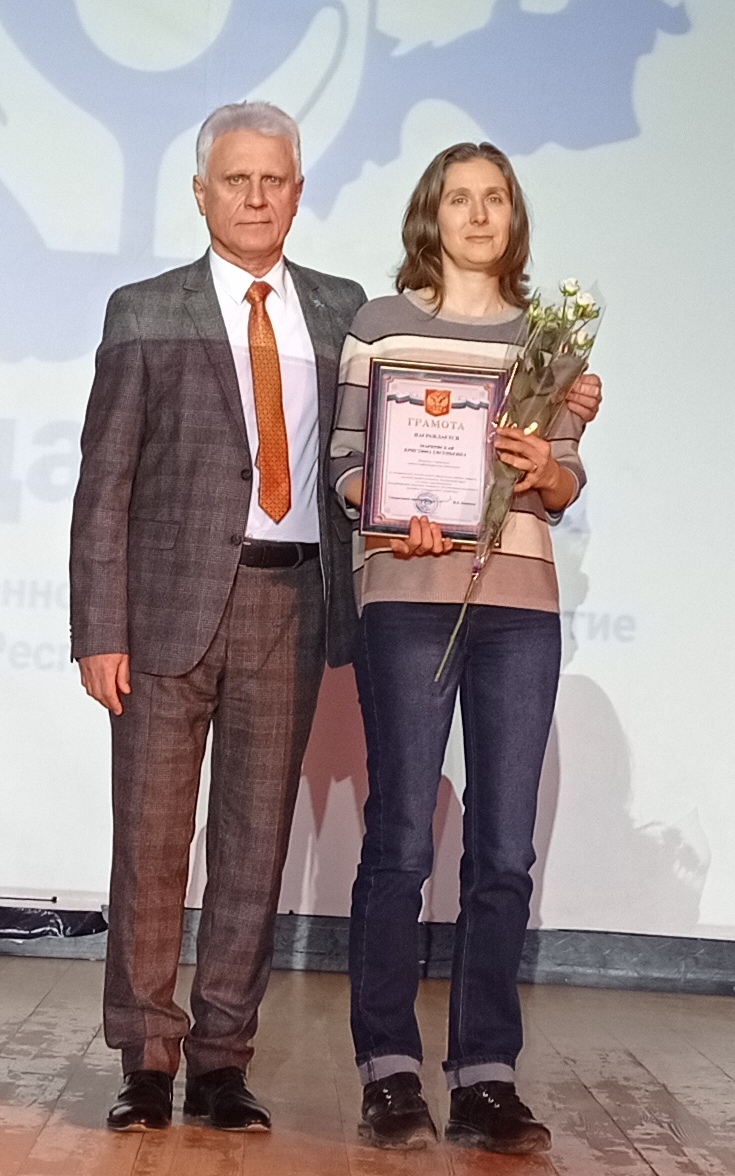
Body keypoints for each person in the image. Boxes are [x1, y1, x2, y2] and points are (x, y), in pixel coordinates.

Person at [69, 102, 365, 1132]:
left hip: (291, 601)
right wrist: (98, 628)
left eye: (273, 179)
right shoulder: (144, 309)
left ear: (298, 191)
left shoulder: (343, 311)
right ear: (200, 193)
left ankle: (223, 1063)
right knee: (150, 842)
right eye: (235, 180)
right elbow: (103, 484)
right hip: (161, 613)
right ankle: (147, 1061)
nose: (255, 196)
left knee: (253, 844)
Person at [331, 141, 602, 1154]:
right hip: (406, 595)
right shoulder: (379, 325)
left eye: (496, 199)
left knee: (501, 852)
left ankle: (486, 1075)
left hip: (519, 606)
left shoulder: (548, 341)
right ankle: (388, 1070)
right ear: (430, 215)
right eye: (460, 198)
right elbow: (347, 464)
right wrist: (386, 507)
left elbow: (564, 482)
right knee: (402, 838)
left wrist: (541, 466)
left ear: (513, 218)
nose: (479, 215)